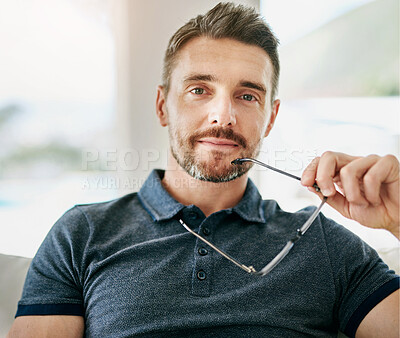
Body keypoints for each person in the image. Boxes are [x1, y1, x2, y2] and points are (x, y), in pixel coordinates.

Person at [8, 2, 399, 337]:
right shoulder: (79, 235)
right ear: (163, 106)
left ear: (271, 117)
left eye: (247, 96)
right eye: (199, 90)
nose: (223, 116)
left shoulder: (326, 247)